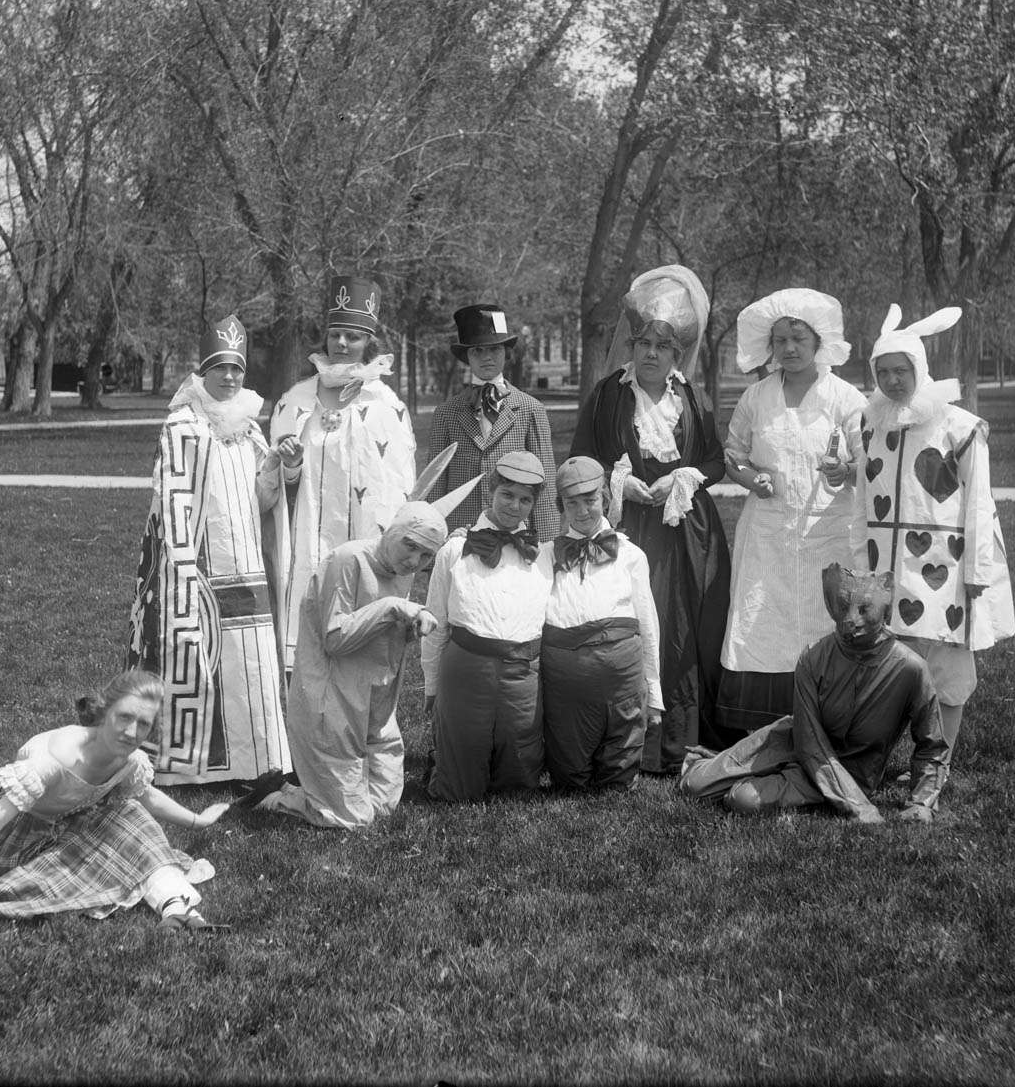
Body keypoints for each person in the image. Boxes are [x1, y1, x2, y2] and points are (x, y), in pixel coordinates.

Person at [0, 668, 230, 931]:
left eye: (144, 724)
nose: (132, 731)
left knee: (131, 814)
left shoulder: (130, 759)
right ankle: (157, 897)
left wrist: (198, 821)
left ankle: (178, 910)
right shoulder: (54, 760)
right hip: (26, 833)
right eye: (124, 717)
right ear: (104, 712)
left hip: (83, 818)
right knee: (28, 890)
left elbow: (147, 796)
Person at [569, 264, 731, 772]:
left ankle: (677, 741)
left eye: (663, 347)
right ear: (632, 345)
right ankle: (625, 738)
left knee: (680, 628)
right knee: (632, 623)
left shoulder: (694, 399)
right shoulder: (607, 395)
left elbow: (716, 461)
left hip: (684, 533)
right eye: (644, 344)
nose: (651, 355)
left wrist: (683, 475)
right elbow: (580, 458)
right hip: (627, 529)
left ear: (677, 354)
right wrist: (619, 482)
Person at [126, 314, 293, 785]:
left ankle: (257, 759)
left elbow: (262, 502)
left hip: (246, 562)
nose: (230, 377)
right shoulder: (182, 425)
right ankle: (192, 763)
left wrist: (276, 468)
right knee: (199, 658)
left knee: (248, 661)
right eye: (221, 367)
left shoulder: (250, 428)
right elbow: (170, 502)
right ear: (204, 371)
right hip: (198, 567)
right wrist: (183, 567)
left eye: (237, 368)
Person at [860, 303, 1015, 788]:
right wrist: (862, 563)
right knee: (893, 665)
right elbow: (864, 499)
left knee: (946, 669)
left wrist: (977, 571)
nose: (892, 380)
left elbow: (980, 503)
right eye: (883, 371)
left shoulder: (959, 427)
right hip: (889, 568)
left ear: (920, 368)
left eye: (901, 370)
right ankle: (896, 757)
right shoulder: (872, 426)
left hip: (944, 568)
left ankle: (937, 765)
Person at [680, 565, 947, 824]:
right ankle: (721, 765)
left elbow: (932, 745)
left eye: (865, 609)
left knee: (743, 799)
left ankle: (753, 776)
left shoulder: (910, 669)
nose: (851, 619)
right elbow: (808, 740)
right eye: (843, 606)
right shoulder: (813, 657)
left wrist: (921, 803)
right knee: (694, 784)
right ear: (831, 604)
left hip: (850, 770)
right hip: (792, 741)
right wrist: (859, 807)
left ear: (886, 608)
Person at [717, 287, 867, 743]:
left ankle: (834, 727)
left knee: (828, 621)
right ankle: (766, 731)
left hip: (829, 532)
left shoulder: (845, 398)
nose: (789, 348)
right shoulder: (757, 397)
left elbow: (871, 462)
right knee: (764, 623)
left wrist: (845, 470)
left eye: (799, 339)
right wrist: (751, 480)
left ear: (819, 341)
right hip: (769, 536)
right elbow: (733, 455)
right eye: (780, 340)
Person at [260, 503, 448, 829]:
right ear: (392, 531)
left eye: (426, 555)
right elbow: (335, 639)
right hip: (331, 703)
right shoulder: (348, 560)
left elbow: (381, 633)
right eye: (410, 545)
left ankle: (322, 791)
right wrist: (392, 608)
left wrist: (409, 626)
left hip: (375, 702)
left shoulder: (401, 572)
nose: (414, 561)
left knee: (384, 806)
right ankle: (281, 798)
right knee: (353, 819)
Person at [270, 276, 417, 668]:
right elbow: (273, 483)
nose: (341, 343)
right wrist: (290, 465)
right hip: (308, 530)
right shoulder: (296, 400)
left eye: (352, 337)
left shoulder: (385, 405)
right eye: (335, 334)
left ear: (368, 342)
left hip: (362, 531)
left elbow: (397, 481)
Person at [421, 451, 555, 802]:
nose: (514, 506)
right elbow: (434, 624)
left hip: (522, 672)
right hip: (466, 669)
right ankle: (444, 759)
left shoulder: (543, 555)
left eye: (525, 499)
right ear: (490, 492)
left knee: (518, 786)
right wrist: (432, 686)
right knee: (457, 791)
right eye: (506, 495)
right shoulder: (455, 550)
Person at [540, 457, 662, 791]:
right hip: (566, 680)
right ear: (561, 506)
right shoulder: (545, 554)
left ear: (605, 499)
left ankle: (619, 770)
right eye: (571, 503)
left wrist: (654, 694)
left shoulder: (631, 555)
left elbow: (648, 624)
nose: (582, 511)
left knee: (618, 775)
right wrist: (462, 539)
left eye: (590, 500)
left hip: (621, 675)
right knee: (569, 778)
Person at [426, 303, 560, 537]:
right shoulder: (446, 414)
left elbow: (545, 486)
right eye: (477, 350)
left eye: (494, 349)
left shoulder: (530, 409)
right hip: (461, 536)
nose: (486, 357)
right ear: (466, 356)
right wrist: (432, 544)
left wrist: (546, 545)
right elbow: (435, 485)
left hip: (515, 535)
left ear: (506, 352)